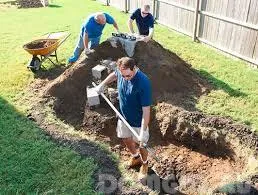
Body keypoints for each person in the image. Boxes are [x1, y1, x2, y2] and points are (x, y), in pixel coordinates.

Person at [94, 57, 152, 180]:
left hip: (138, 121)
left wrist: (142, 131)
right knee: (125, 138)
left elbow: (146, 111)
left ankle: (145, 164)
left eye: (128, 76)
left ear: (134, 68)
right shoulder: (121, 71)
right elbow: (114, 75)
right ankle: (135, 157)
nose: (125, 78)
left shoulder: (143, 83)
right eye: (123, 76)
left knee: (142, 144)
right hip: (123, 116)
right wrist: (102, 85)